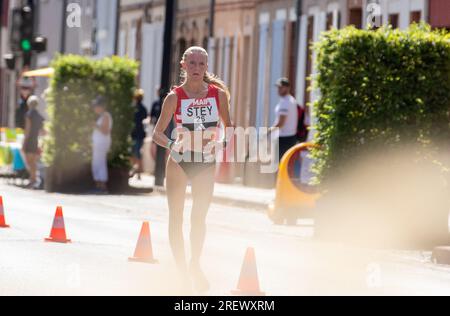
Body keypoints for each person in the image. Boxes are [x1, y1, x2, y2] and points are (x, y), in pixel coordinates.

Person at [152, 46, 233, 293]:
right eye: (192, 63)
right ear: (183, 66)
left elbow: (229, 128)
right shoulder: (174, 97)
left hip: (205, 160)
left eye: (201, 64)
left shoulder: (218, 96)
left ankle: (194, 263)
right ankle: (181, 272)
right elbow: (156, 134)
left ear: (206, 67)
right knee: (176, 217)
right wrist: (172, 146)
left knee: (199, 218)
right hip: (179, 160)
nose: (197, 69)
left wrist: (221, 143)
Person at [269, 78, 299, 164]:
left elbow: (281, 123)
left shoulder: (285, 102)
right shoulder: (290, 100)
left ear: (287, 88)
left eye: (281, 87)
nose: (278, 90)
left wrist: (268, 131)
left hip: (285, 138)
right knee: (286, 164)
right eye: (278, 87)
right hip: (290, 137)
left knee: (281, 164)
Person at [91, 96, 113, 194]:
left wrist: (95, 126)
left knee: (100, 163)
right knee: (97, 163)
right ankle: (98, 185)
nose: (95, 108)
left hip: (102, 143)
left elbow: (105, 131)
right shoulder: (102, 116)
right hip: (98, 143)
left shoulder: (106, 116)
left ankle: (102, 186)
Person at [22, 95, 44, 189]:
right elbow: (42, 131)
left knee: (29, 161)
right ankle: (33, 179)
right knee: (33, 162)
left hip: (30, 140)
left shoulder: (29, 115)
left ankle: (32, 180)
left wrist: (24, 142)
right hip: (36, 139)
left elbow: (27, 130)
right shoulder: (39, 116)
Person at [130, 89, 148, 179]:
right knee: (137, 153)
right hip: (138, 133)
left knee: (136, 153)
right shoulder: (142, 108)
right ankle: (136, 172)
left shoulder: (135, 108)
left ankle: (137, 172)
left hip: (137, 133)